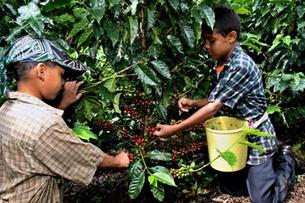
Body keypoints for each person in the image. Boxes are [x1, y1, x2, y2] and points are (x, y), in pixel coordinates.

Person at [153, 5, 295, 203]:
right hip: (234, 134)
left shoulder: (240, 66)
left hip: (256, 137)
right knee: (233, 189)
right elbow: (217, 99)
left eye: (211, 40)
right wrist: (194, 102)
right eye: (205, 40)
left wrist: (173, 129)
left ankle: (286, 161)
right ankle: (259, 172)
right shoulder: (223, 61)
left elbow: (213, 108)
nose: (206, 46)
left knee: (263, 200)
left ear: (231, 37)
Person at [0, 35, 130, 202]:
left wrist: (63, 104)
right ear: (41, 71)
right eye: (61, 75)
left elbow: (36, 144)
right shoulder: (45, 124)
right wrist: (118, 161)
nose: (63, 83)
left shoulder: (6, 109)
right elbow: (80, 156)